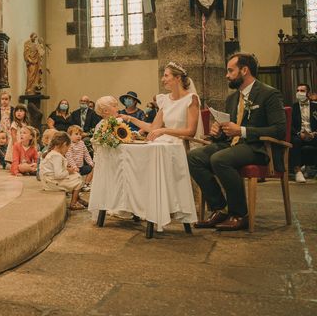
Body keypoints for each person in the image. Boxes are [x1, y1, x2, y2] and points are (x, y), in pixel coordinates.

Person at [187, 53, 286, 231]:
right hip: (232, 145)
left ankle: (239, 214)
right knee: (194, 157)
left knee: (219, 158)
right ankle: (220, 208)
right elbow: (229, 130)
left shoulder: (269, 94)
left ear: (244, 70)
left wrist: (241, 131)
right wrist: (218, 132)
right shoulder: (232, 98)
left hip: (258, 148)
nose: (227, 75)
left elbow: (279, 130)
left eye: (230, 71)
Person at [120, 62, 203, 142]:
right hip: (165, 141)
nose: (162, 79)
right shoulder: (165, 100)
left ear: (178, 78)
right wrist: (131, 119)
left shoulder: (191, 99)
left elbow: (191, 132)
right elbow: (153, 128)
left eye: (166, 76)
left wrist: (163, 130)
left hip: (182, 143)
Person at [39, 131, 85, 210]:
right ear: (64, 145)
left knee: (76, 175)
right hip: (51, 183)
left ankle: (77, 198)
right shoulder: (56, 156)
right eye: (68, 147)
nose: (67, 150)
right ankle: (73, 203)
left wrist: (67, 170)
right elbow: (58, 175)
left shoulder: (53, 153)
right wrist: (69, 171)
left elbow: (55, 170)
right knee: (78, 179)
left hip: (48, 180)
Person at [290, 83, 317, 183]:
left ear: (308, 93)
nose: (299, 93)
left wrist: (314, 133)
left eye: (302, 91)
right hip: (299, 135)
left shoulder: (315, 106)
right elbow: (290, 125)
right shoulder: (294, 107)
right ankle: (297, 171)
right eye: (298, 90)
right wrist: (299, 133)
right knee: (294, 141)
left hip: (313, 134)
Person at [65, 125, 94, 190]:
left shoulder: (82, 143)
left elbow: (86, 154)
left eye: (80, 134)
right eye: (76, 134)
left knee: (93, 168)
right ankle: (73, 187)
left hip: (80, 166)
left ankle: (86, 184)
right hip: (71, 167)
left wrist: (90, 162)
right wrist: (74, 167)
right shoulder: (69, 144)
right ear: (69, 135)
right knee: (74, 178)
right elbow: (69, 157)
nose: (79, 136)